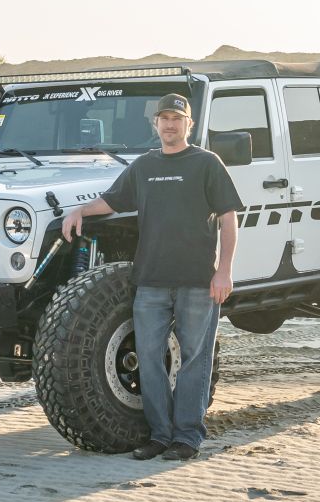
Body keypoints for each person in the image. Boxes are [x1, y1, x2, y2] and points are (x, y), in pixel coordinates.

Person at [59, 93, 240, 461]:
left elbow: (228, 218)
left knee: (195, 359)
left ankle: (186, 437)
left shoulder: (207, 163)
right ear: (155, 124)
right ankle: (159, 435)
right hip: (151, 281)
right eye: (164, 118)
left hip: (196, 281)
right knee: (149, 358)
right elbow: (112, 201)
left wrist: (224, 271)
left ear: (188, 124)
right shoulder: (144, 166)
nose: (170, 125)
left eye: (177, 118)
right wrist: (79, 210)